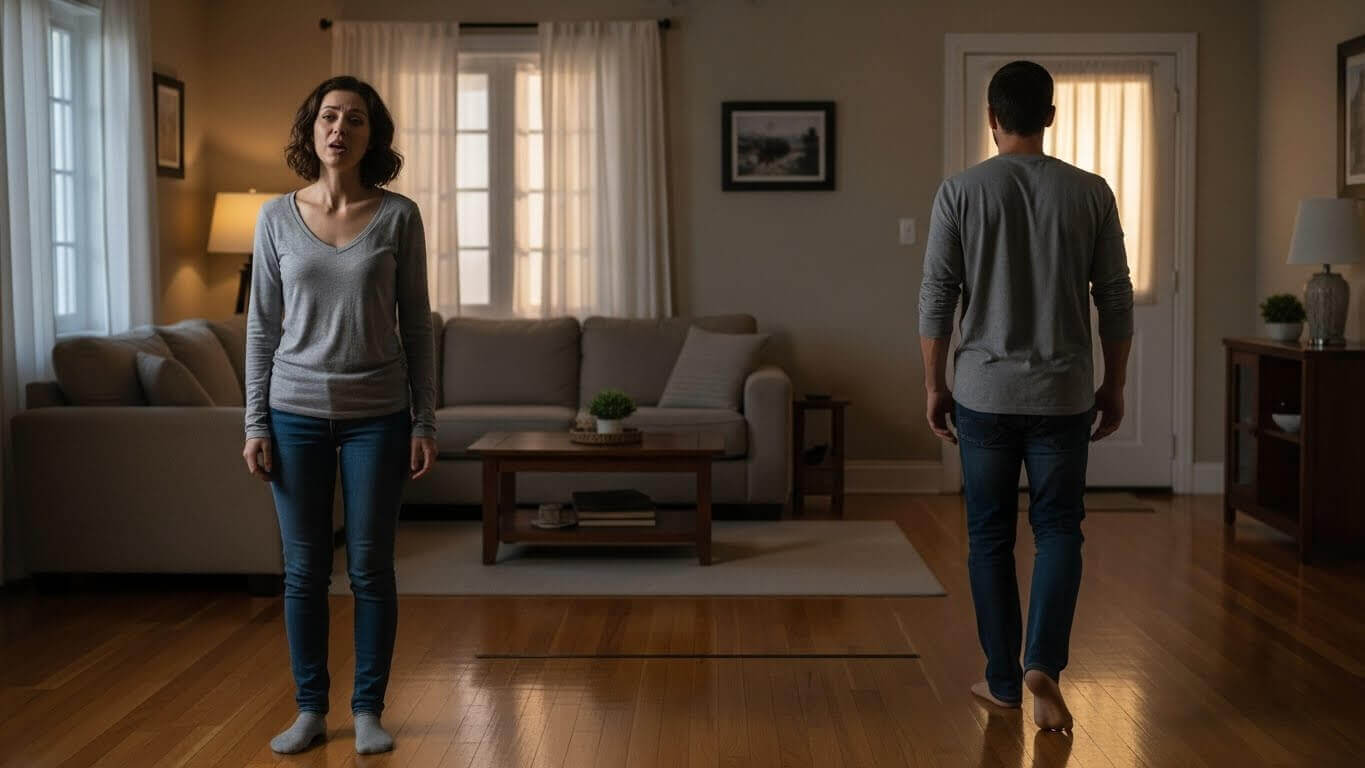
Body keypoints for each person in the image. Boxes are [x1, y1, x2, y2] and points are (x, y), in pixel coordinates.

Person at [917, 60, 1135, 732]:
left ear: (991, 118)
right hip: (1064, 394)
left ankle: (1004, 682)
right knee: (1058, 529)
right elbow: (1115, 297)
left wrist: (933, 385)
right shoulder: (1091, 192)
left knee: (987, 538)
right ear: (1048, 116)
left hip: (982, 392)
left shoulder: (959, 191)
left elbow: (936, 298)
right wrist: (1114, 383)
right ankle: (1043, 662)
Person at [241, 75, 438, 755]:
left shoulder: (398, 216)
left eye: (355, 119)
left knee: (368, 567)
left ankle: (366, 710)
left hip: (377, 417)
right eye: (329, 116)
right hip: (292, 415)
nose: (339, 128)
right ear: (311, 128)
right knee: (302, 572)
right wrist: (254, 424)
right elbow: (261, 330)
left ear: (370, 137)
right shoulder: (273, 218)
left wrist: (423, 422)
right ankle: (308, 709)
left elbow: (417, 327)